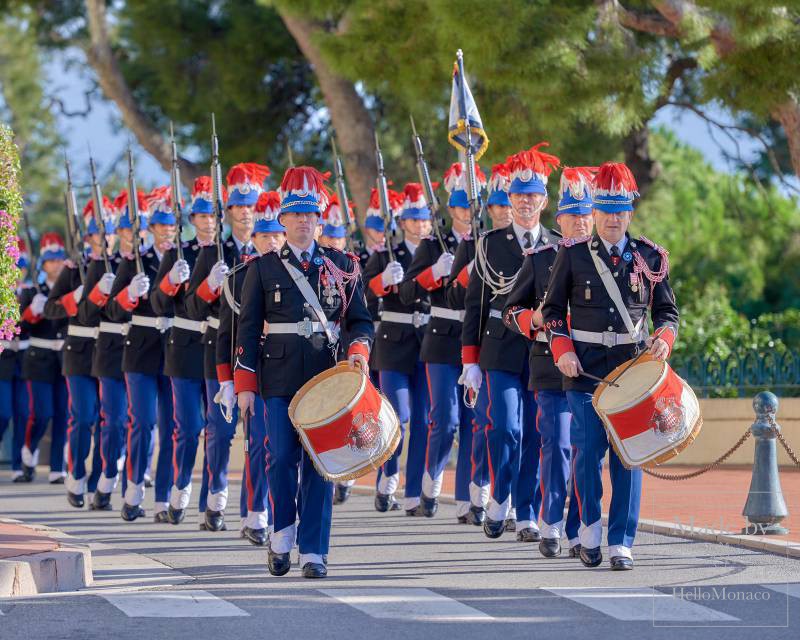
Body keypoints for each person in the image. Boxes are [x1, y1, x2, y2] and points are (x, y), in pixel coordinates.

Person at [234, 166, 373, 579]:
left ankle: (314, 550)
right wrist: (244, 386)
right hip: (277, 379)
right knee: (279, 458)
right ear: (283, 219)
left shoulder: (341, 265)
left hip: (325, 380)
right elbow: (245, 331)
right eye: (294, 215)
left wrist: (359, 350)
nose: (302, 222)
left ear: (319, 219)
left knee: (320, 464)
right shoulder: (262, 269)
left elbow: (360, 321)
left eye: (310, 215)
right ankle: (282, 534)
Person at [542, 161, 679, 570]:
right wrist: (562, 350)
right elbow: (551, 312)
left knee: (628, 455)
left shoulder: (649, 257)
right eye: (607, 209)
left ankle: (621, 540)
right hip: (583, 372)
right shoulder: (573, 256)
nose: (614, 218)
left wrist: (664, 340)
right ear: (594, 212)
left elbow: (668, 313)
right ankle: (588, 529)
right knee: (586, 454)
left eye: (621, 210)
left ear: (630, 213)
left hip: (631, 374)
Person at [462, 144, 559, 541]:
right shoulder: (489, 243)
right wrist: (470, 361)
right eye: (518, 195)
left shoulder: (557, 244)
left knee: (536, 435)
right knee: (505, 428)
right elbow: (476, 306)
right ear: (509, 198)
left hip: (540, 353)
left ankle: (527, 512)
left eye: (532, 195)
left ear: (544, 199)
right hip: (499, 350)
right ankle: (499, 497)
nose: (524, 202)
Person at [503, 166, 596, 558]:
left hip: (592, 368)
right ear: (558, 220)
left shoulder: (603, 261)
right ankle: (552, 523)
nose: (578, 222)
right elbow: (511, 311)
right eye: (571, 216)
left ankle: (576, 530)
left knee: (584, 449)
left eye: (584, 215)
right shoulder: (541, 260)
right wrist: (535, 319)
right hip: (550, 367)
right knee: (556, 444)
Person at [398, 162, 485, 518]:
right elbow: (406, 292)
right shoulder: (434, 244)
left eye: (473, 207)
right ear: (451, 210)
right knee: (445, 418)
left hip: (477, 338)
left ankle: (468, 499)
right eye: (462, 207)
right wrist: (435, 273)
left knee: (473, 421)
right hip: (443, 337)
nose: (468, 214)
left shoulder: (488, 242)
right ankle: (429, 487)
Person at [185, 162, 267, 531]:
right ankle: (216, 495)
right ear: (229, 211)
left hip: (258, 352)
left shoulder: (268, 249)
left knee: (258, 435)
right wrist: (208, 285)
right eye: (239, 206)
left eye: (252, 205)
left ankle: (254, 510)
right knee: (219, 429)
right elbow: (191, 306)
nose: (246, 212)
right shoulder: (212, 253)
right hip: (219, 348)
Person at [445, 162, 513, 525]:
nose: (505, 211)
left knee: (511, 425)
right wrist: (467, 273)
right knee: (484, 421)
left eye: (509, 205)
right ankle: (477, 491)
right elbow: (456, 299)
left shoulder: (534, 243)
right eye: (499, 206)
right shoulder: (475, 244)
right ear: (488, 210)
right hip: (486, 344)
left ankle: (509, 494)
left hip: (520, 344)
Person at [217, 190, 284, 546]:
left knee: (283, 446)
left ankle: (281, 512)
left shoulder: (298, 273)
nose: (272, 241)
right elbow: (225, 335)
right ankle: (256, 514)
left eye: (278, 235)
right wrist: (227, 380)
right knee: (257, 443)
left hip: (288, 367)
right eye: (265, 235)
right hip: (252, 367)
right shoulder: (240, 277)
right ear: (253, 239)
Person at [107, 189, 177, 522]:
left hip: (175, 347)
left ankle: (163, 498)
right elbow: (112, 309)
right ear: (151, 227)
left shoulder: (183, 259)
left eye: (172, 226)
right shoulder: (135, 260)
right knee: (144, 421)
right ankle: (134, 490)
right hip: (140, 348)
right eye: (161, 226)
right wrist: (130, 293)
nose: (167, 231)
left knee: (170, 426)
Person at [151, 177, 217, 525]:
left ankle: (210, 503)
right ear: (192, 220)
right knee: (187, 427)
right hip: (185, 347)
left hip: (217, 347)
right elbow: (158, 303)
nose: (208, 223)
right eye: (202, 217)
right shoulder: (182, 253)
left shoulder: (225, 254)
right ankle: (177, 492)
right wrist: (171, 280)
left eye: (212, 217)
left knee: (216, 430)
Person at [363, 183, 432, 512]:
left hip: (428, 340)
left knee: (423, 420)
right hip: (393, 342)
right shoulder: (386, 253)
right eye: (414, 220)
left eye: (425, 220)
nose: (420, 226)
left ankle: (414, 490)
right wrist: (383, 281)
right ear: (402, 222)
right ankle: (388, 473)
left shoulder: (436, 253)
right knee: (398, 417)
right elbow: (364, 294)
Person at [44, 196, 115, 508]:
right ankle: (75, 474)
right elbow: (50, 309)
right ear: (88, 238)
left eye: (108, 234)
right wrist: (74, 296)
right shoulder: (74, 269)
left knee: (109, 420)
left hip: (111, 348)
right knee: (83, 415)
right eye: (97, 235)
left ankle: (101, 482)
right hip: (80, 349)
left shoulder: (123, 266)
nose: (103, 240)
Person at [79, 190, 144, 510]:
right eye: (128, 230)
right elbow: (88, 314)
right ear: (118, 233)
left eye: (138, 230)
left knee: (142, 421)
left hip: (144, 349)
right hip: (111, 348)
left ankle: (132, 481)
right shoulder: (103, 264)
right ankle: (105, 476)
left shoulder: (147, 263)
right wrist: (99, 291)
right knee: (114, 420)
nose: (134, 236)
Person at [19, 233, 69, 484]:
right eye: (51, 261)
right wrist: (31, 312)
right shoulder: (31, 292)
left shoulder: (68, 290)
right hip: (38, 359)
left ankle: (57, 468)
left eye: (60, 259)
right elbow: (20, 329)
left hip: (63, 357)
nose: (56, 264)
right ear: (43, 265)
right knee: (42, 413)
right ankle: (29, 451)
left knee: (62, 413)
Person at [0, 240, 31, 482]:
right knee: (3, 413)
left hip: (25, 360)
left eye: (20, 268)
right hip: (3, 360)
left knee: (22, 412)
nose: (17, 273)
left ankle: (19, 466)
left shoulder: (32, 293)